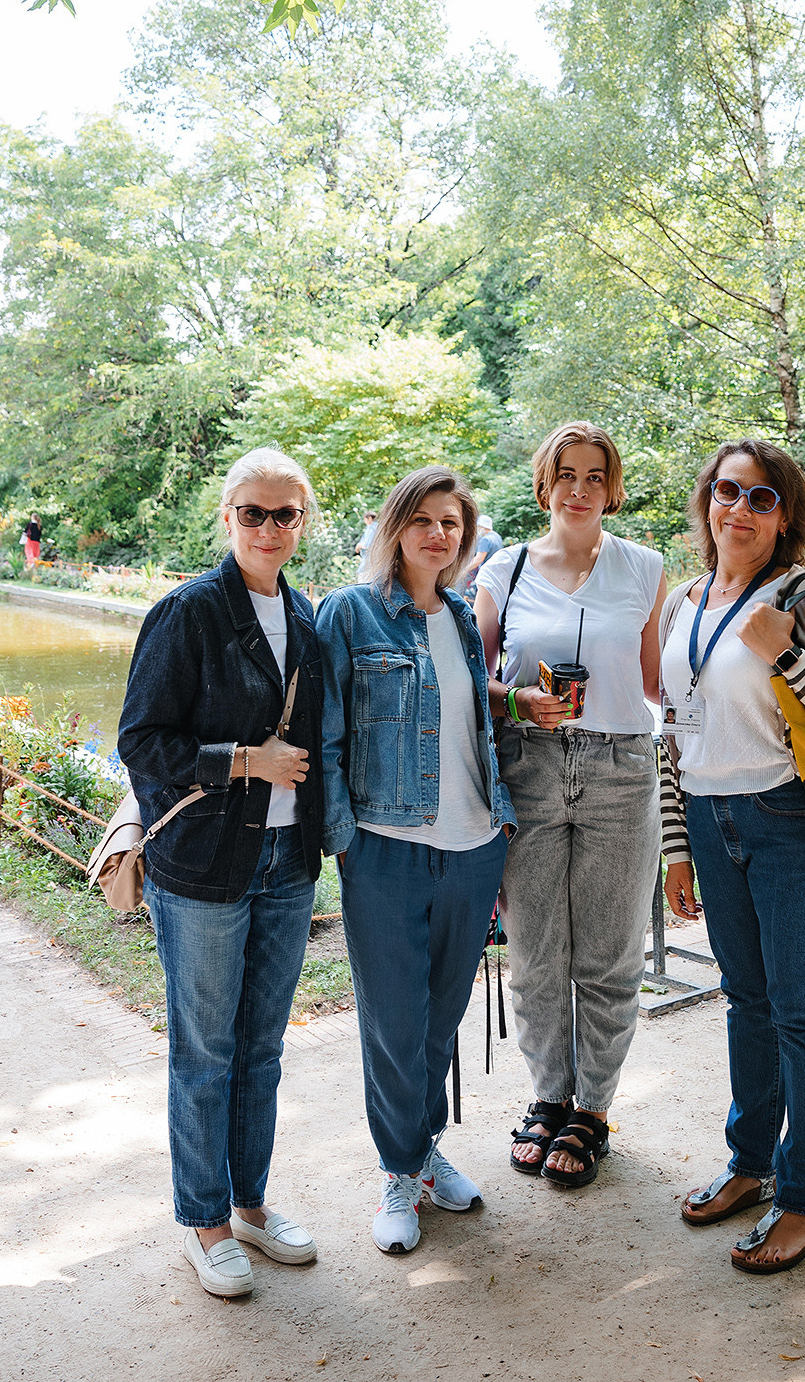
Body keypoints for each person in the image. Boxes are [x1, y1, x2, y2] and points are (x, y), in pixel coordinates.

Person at [117, 447, 353, 1298]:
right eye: (251, 513)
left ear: (303, 521)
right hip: (206, 866)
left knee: (260, 1050)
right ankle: (204, 1220)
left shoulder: (311, 616)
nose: (267, 528)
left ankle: (249, 1204)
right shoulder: (188, 613)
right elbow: (141, 741)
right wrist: (243, 760)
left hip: (288, 863)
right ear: (227, 519)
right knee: (205, 1052)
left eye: (284, 514)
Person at [660, 438, 805, 1275]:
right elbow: (675, 735)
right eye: (728, 491)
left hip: (793, 825)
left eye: (763, 498)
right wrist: (678, 847)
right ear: (707, 500)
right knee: (747, 1004)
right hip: (714, 823)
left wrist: (785, 653)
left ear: (785, 515)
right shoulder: (686, 601)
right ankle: (751, 1164)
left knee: (803, 1014)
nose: (741, 509)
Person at [317, 465, 515, 1254]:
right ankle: (398, 1170)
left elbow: (469, 720)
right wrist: (343, 841)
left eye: (453, 524)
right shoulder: (350, 612)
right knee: (395, 1024)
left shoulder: (464, 618)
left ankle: (423, 1152)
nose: (440, 535)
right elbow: (325, 732)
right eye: (426, 520)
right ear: (396, 526)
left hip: (473, 849)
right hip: (387, 851)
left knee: (439, 1021)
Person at [474, 421, 676, 1188]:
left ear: (613, 487)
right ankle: (546, 1096)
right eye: (567, 474)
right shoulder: (504, 570)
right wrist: (517, 701)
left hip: (622, 766)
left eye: (595, 475)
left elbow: (661, 686)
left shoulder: (644, 568)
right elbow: (472, 681)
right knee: (533, 953)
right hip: (529, 765)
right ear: (545, 484)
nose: (581, 489)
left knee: (607, 954)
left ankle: (592, 1109)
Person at [464, 513, 503, 600]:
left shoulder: (485, 540)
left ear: (482, 526)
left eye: (477, 527)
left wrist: (464, 570)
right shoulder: (497, 536)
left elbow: (478, 559)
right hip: (496, 573)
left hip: (487, 574)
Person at [355, 508, 378, 580]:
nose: (365, 521)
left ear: (370, 518)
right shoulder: (373, 527)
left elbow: (368, 544)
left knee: (363, 575)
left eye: (365, 519)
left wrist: (360, 545)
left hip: (370, 556)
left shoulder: (373, 527)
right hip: (370, 557)